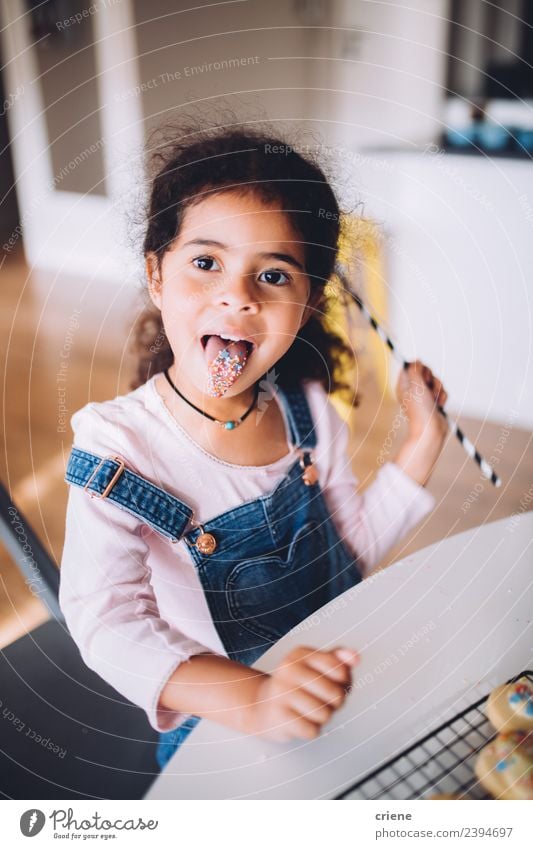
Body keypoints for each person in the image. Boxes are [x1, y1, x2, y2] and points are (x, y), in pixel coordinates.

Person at [59, 123, 448, 772]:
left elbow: (343, 555)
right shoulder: (118, 445)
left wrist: (423, 438)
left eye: (272, 274)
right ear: (156, 274)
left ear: (307, 304)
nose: (237, 295)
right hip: (222, 723)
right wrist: (256, 699)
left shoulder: (311, 416)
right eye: (205, 262)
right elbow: (105, 621)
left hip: (335, 674)